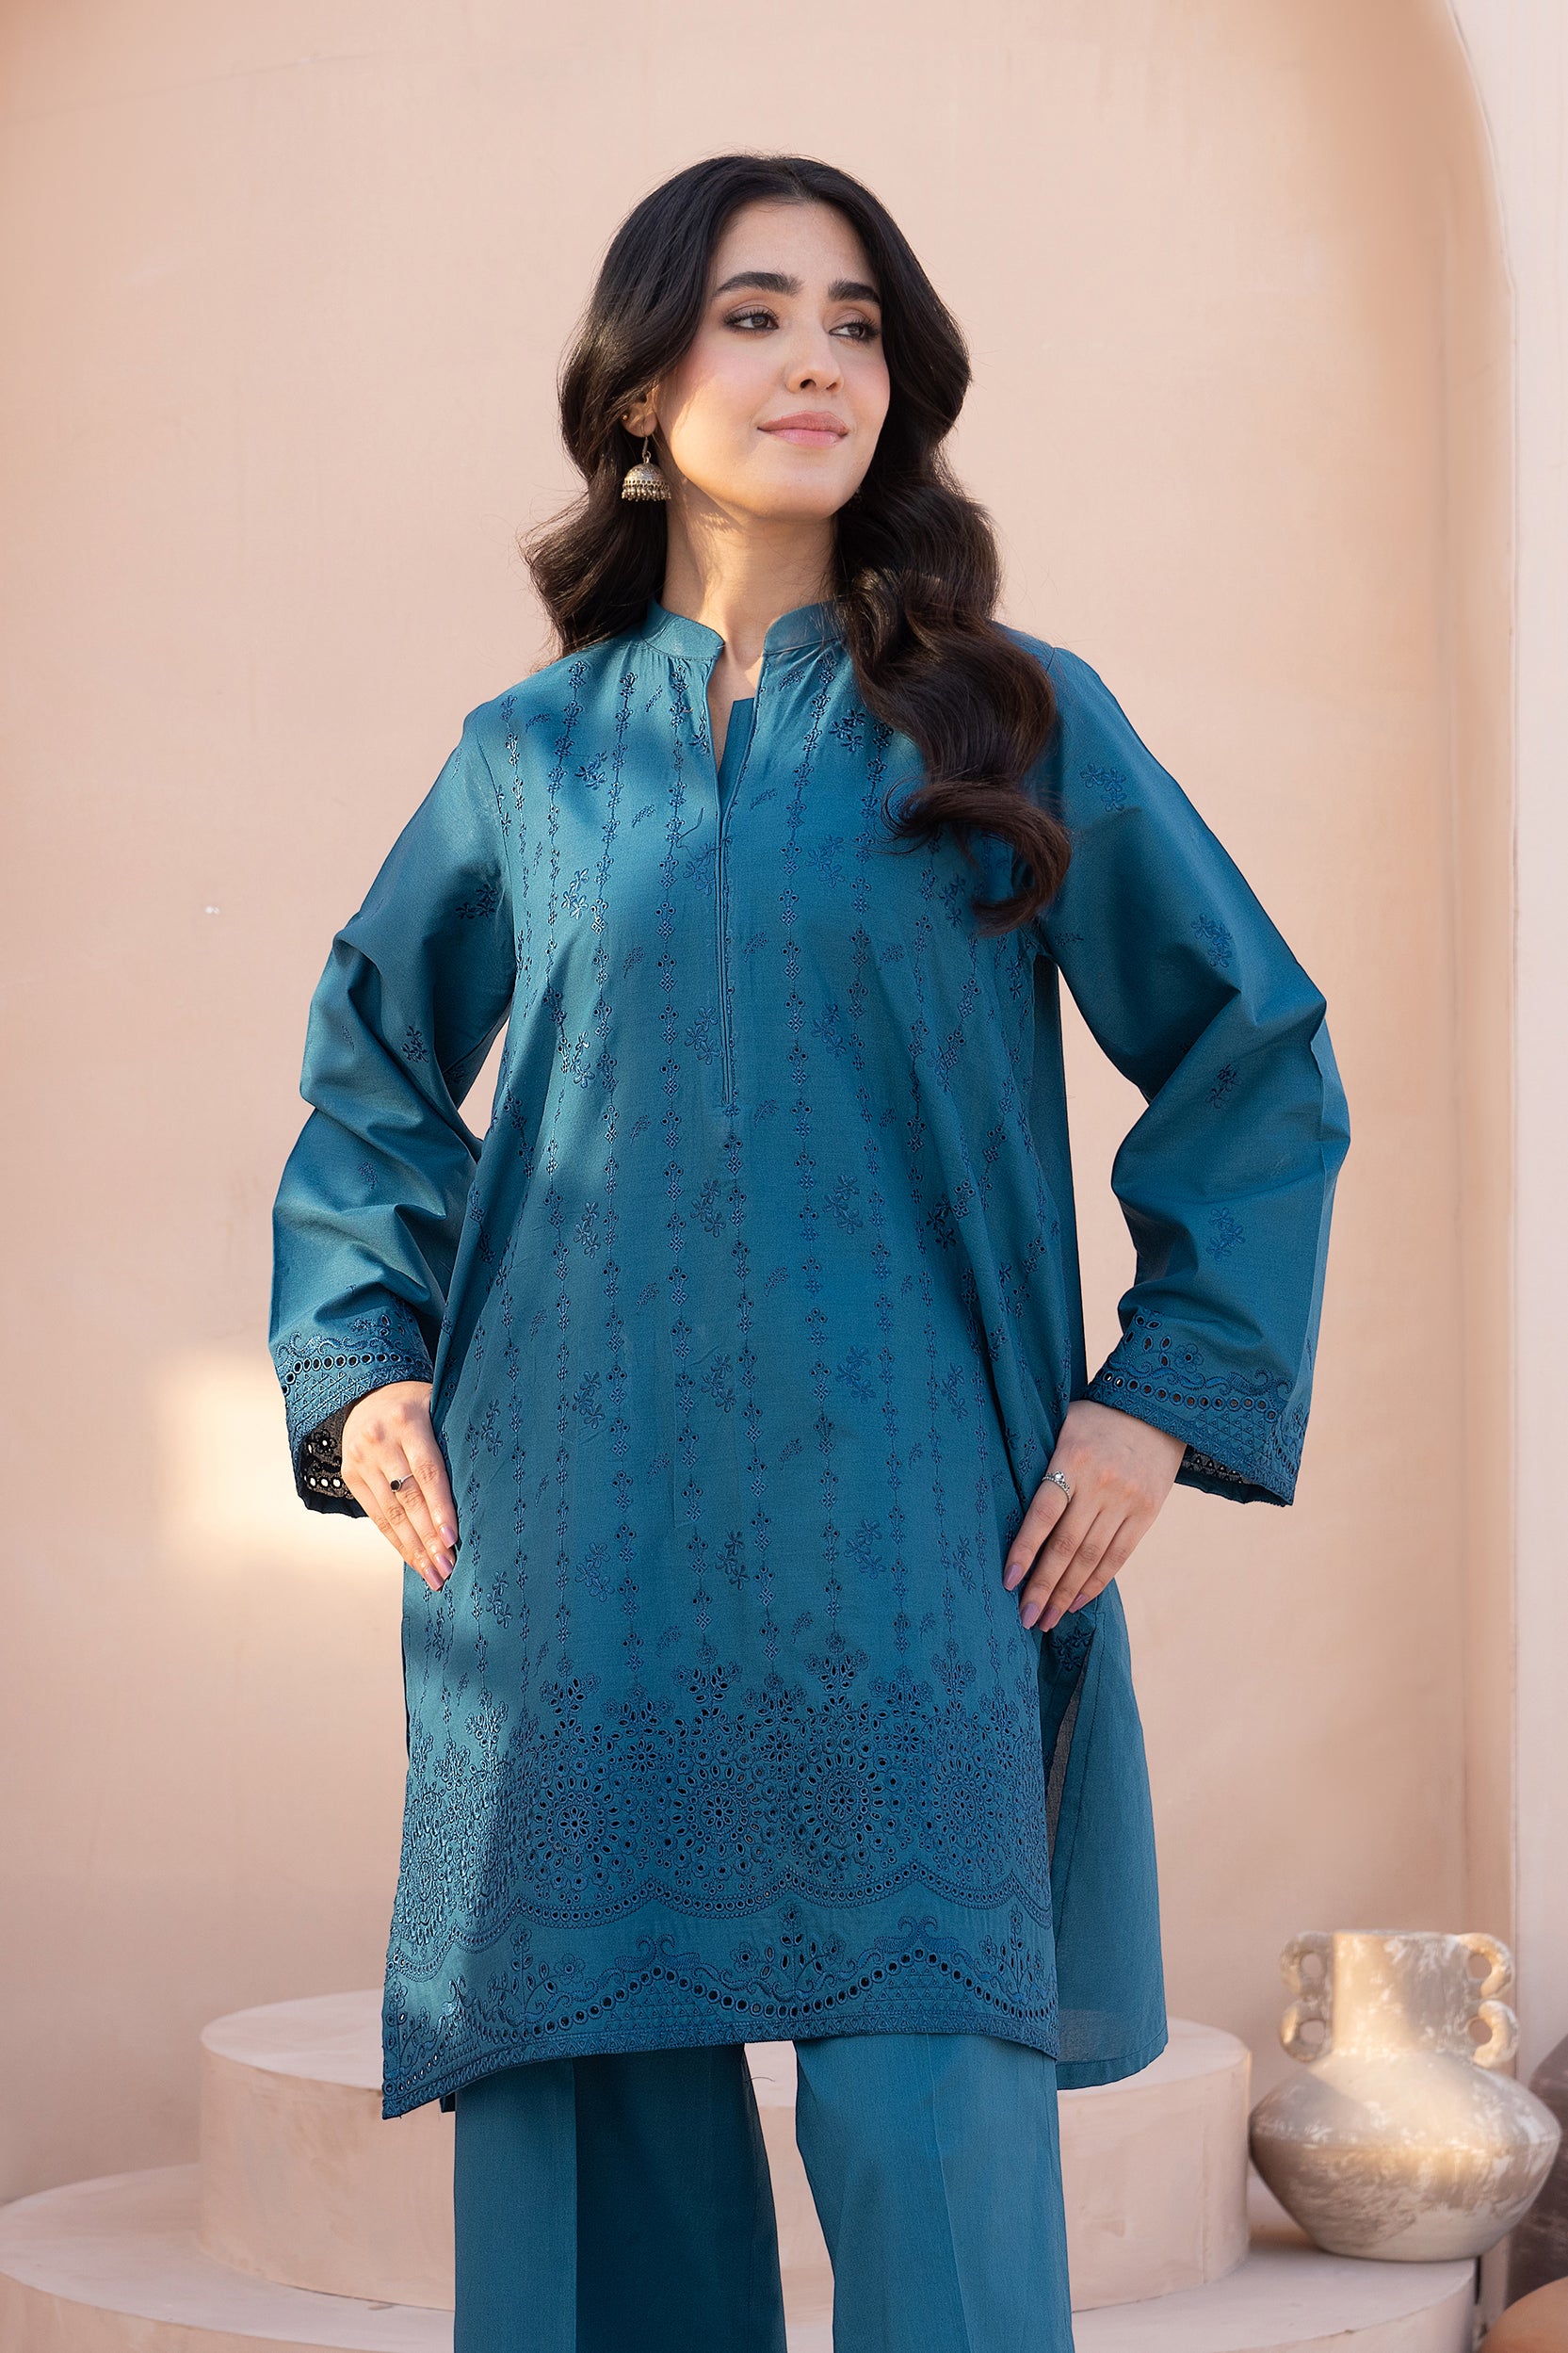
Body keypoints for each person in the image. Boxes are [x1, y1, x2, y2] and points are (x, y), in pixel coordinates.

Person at [269, 152, 1350, 2353]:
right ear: (637, 385)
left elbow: (1251, 1055)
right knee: (591, 2134)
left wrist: (1155, 1400)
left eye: (854, 325)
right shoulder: (527, 761)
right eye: (753, 315)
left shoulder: (1009, 717)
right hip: (574, 1544)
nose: (813, 364)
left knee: (928, 2125)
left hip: (917, 1528)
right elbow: (370, 1074)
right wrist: (361, 1362)